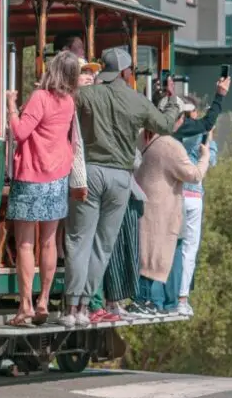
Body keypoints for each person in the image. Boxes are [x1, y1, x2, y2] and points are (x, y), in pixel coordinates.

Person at [62, 47, 181, 328]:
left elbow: (63, 106)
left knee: (79, 240)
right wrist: (172, 99)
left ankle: (71, 308)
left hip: (90, 173)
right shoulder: (136, 100)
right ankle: (86, 307)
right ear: (127, 73)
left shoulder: (87, 95)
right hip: (121, 178)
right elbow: (165, 124)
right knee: (103, 245)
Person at [4, 51, 81, 327]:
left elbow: (20, 132)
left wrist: (11, 105)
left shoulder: (40, 98)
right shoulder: (69, 102)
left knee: (25, 242)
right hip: (57, 176)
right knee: (48, 242)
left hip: (31, 175)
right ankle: (44, 300)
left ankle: (25, 306)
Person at [130, 97, 211, 316]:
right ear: (175, 120)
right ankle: (145, 301)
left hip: (143, 201)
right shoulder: (171, 145)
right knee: (154, 253)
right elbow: (193, 175)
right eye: (182, 117)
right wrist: (205, 157)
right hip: (161, 206)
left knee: (145, 251)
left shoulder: (144, 135)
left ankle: (142, 300)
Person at [172, 81, 228, 317]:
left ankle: (162, 294)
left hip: (173, 195)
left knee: (170, 245)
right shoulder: (199, 133)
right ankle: (182, 298)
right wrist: (209, 139)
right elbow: (211, 161)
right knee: (189, 248)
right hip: (193, 195)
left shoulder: (172, 131)